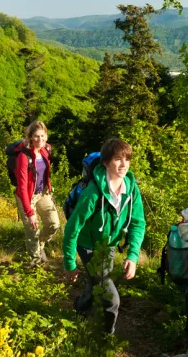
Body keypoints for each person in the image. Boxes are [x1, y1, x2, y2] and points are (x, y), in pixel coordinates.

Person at [62, 138, 146, 335]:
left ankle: (80, 308)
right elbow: (72, 228)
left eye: (127, 159)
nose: (124, 164)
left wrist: (133, 256)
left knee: (96, 281)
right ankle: (106, 337)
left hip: (108, 245)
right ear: (106, 162)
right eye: (118, 159)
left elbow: (138, 222)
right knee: (112, 298)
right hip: (87, 244)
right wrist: (69, 263)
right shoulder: (93, 193)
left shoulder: (131, 189)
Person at [13, 120, 61, 267]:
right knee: (32, 230)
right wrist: (29, 212)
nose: (39, 140)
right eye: (36, 136)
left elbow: (44, 174)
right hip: (26, 196)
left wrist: (49, 188)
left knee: (54, 223)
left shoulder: (46, 150)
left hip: (43, 193)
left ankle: (40, 245)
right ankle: (35, 264)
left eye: (42, 136)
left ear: (46, 136)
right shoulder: (23, 157)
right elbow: (22, 187)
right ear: (30, 137)